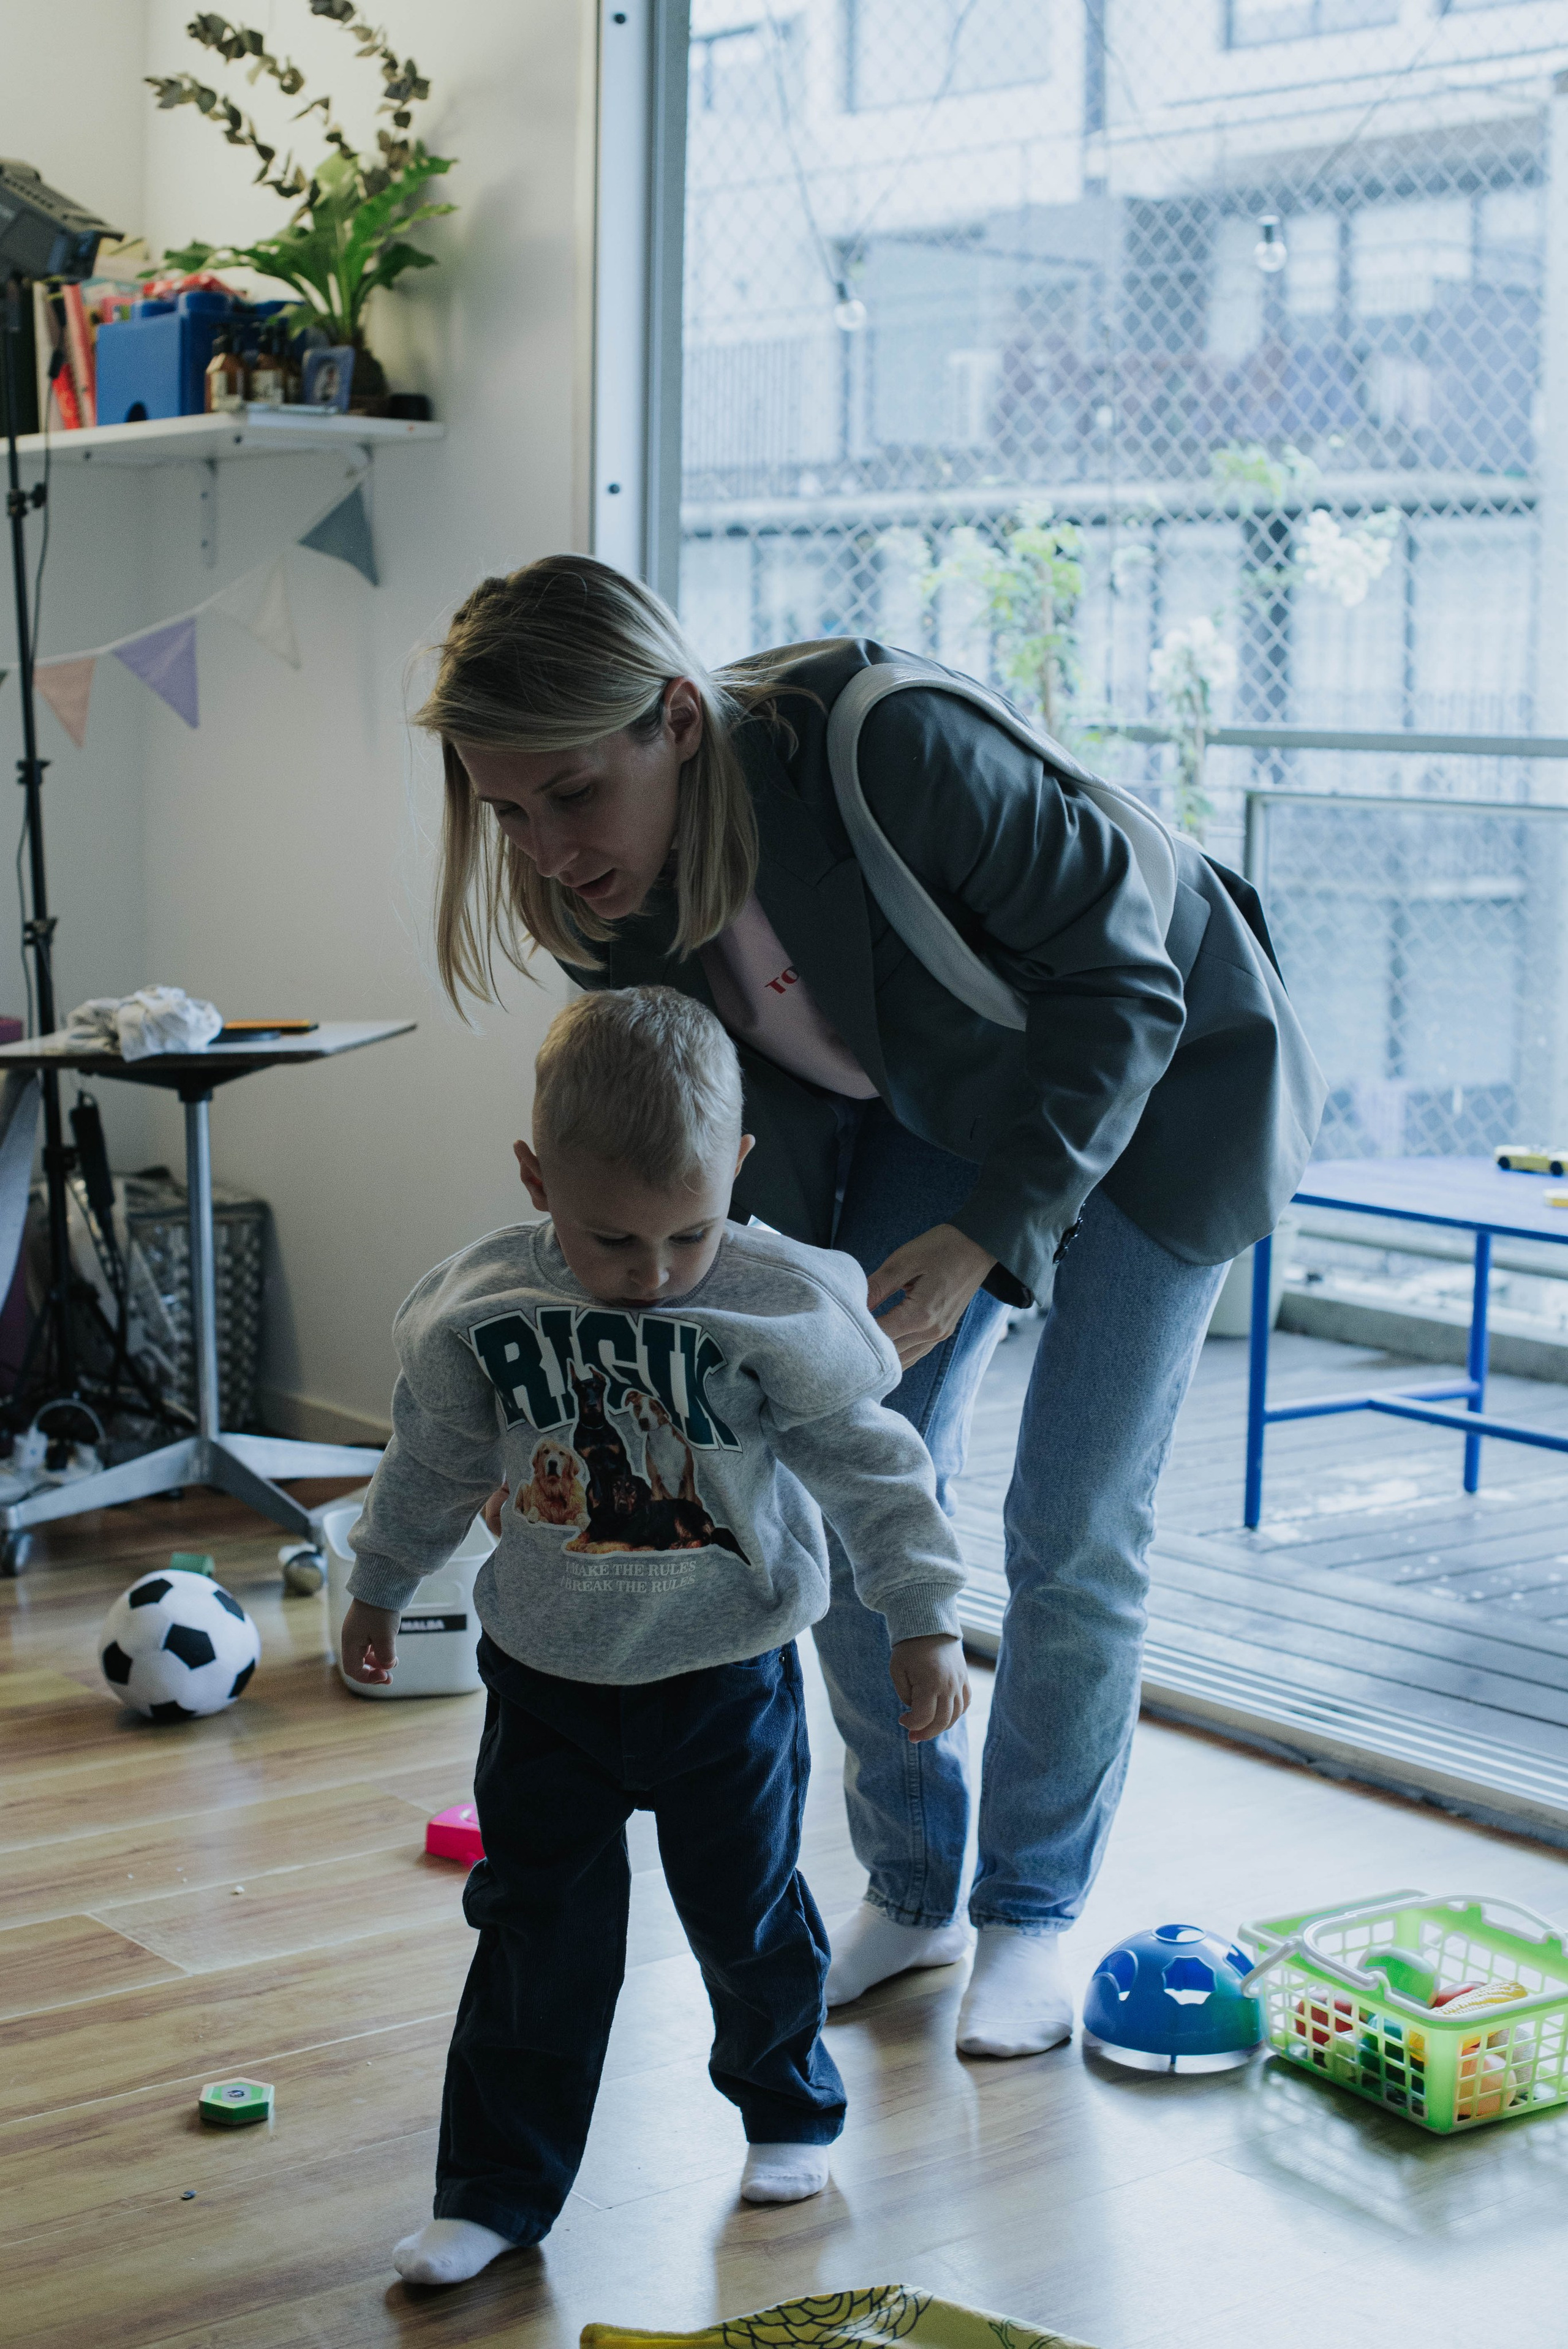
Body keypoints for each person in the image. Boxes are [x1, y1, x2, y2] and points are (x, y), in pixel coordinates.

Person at [415, 554, 1326, 2064]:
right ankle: (915, 1889)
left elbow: (1121, 989)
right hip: (940, 1100)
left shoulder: (882, 743)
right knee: (845, 1471)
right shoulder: (599, 903)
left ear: (678, 723)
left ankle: (1030, 1905)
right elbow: (698, 1176)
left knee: (1070, 1518)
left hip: (1163, 1078)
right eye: (505, 808)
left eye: (569, 794)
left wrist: (987, 1237)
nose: (542, 847)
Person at [341, 986, 970, 2287]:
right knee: (534, 1933)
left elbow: (874, 1470)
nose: (651, 1274)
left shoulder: (775, 1300)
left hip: (722, 1675)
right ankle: (496, 2192)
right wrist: (379, 1580)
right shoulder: (482, 1304)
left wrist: (921, 1619)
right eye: (611, 1238)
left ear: (736, 1170)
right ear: (534, 1178)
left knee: (743, 1916)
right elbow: (436, 1455)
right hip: (547, 1678)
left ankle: (786, 2108)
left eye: (687, 1232)